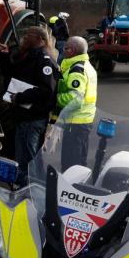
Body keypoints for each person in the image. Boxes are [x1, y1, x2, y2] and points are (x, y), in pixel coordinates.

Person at [0, 27, 60, 185]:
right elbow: (12, 76)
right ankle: (25, 189)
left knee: (30, 160)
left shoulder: (44, 60)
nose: (24, 37)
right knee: (22, 159)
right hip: (23, 116)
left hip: (33, 118)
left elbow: (46, 90)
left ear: (39, 39)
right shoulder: (27, 57)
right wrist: (4, 57)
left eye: (28, 35)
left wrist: (20, 97)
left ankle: (33, 189)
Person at [53, 35, 97, 170]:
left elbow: (75, 100)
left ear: (72, 50)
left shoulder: (77, 70)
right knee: (79, 163)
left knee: (70, 165)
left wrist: (55, 98)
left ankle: (71, 184)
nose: (63, 51)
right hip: (84, 121)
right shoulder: (87, 66)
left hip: (75, 123)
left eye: (65, 48)